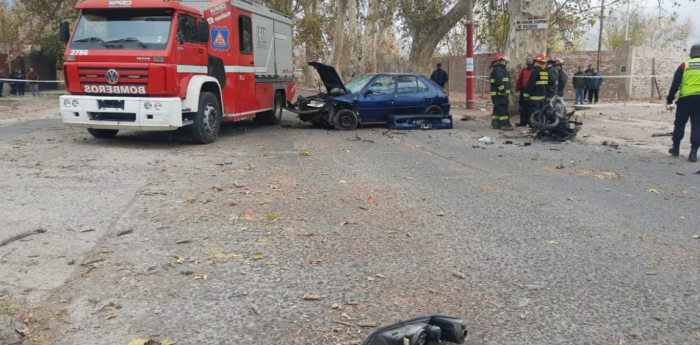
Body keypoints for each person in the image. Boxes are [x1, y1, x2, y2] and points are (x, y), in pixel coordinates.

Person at [666, 44, 700, 162]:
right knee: (697, 125)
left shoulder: (684, 65)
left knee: (680, 124)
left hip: (685, 100)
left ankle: (675, 149)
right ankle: (693, 152)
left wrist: (669, 100)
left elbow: (675, 84)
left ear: (691, 54)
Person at [489, 53, 513, 131]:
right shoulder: (499, 70)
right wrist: (503, 91)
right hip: (500, 94)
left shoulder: (497, 70)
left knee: (497, 109)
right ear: (499, 61)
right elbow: (499, 82)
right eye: (503, 61)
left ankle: (496, 123)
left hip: (496, 94)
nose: (504, 62)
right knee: (503, 109)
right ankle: (505, 124)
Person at [523, 54, 548, 126]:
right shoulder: (545, 71)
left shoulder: (534, 72)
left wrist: (526, 95)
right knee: (541, 112)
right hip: (542, 96)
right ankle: (541, 125)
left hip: (534, 97)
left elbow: (530, 84)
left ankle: (535, 126)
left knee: (534, 113)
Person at [515, 55, 534, 126]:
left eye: (530, 62)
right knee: (522, 107)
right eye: (527, 62)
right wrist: (517, 88)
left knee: (530, 107)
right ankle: (523, 122)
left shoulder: (534, 71)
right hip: (523, 90)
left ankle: (531, 122)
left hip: (532, 91)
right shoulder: (524, 70)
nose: (528, 64)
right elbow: (519, 80)